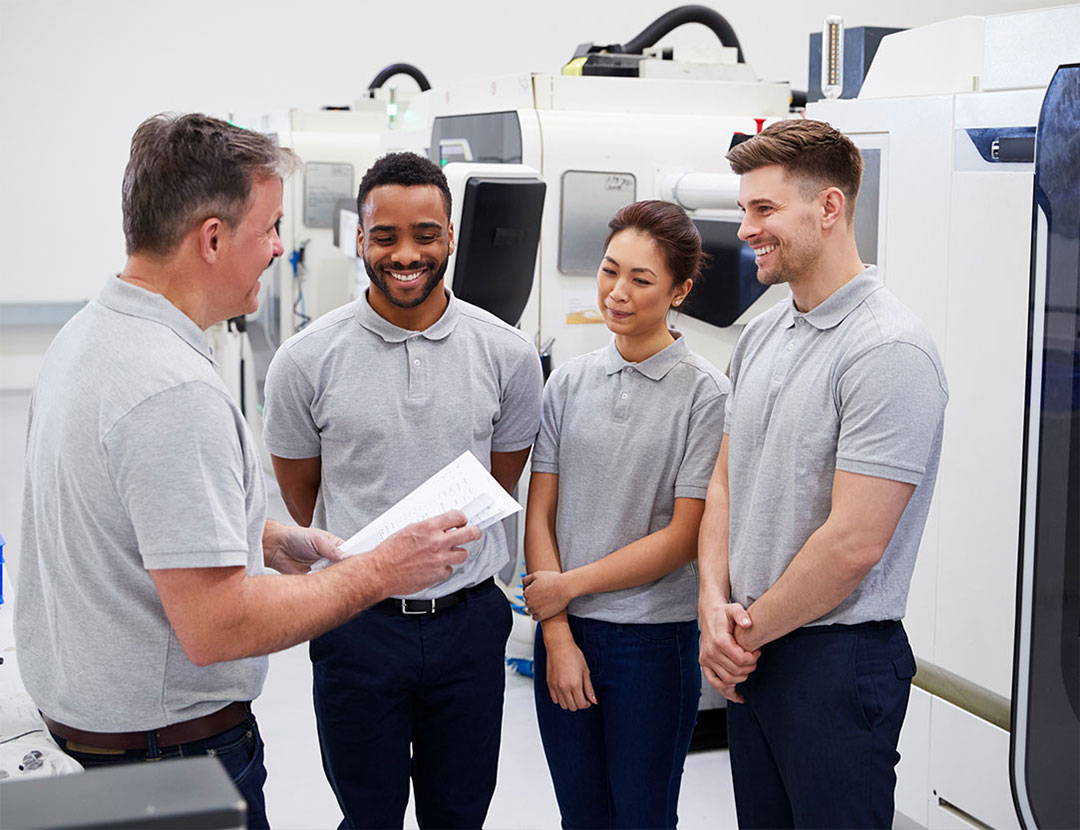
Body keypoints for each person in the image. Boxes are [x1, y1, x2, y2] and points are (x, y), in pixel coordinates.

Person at [15, 114, 477, 830]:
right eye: (269, 229)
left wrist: (259, 537)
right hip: (167, 760)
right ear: (212, 238)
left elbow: (120, 514)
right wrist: (381, 571)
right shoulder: (172, 390)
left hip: (102, 740)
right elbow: (217, 626)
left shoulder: (91, 335)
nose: (278, 248)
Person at [262, 151, 544, 829]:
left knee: (460, 814)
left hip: (469, 626)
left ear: (451, 237)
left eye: (425, 235)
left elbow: (500, 480)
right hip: (356, 626)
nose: (406, 254)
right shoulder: (305, 360)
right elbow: (303, 498)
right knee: (368, 815)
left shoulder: (507, 354)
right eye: (385, 236)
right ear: (360, 239)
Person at [697, 119, 949, 829]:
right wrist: (712, 607)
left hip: (835, 663)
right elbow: (725, 484)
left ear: (829, 207)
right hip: (753, 653)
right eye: (744, 209)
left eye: (764, 208)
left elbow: (854, 545)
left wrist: (741, 635)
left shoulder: (887, 350)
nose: (745, 229)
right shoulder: (762, 333)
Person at [523, 200, 729, 829]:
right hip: (566, 634)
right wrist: (558, 635)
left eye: (641, 280)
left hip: (652, 644)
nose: (617, 292)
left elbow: (683, 537)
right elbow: (540, 513)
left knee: (643, 817)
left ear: (679, 291)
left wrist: (567, 587)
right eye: (610, 270)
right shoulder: (568, 383)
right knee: (581, 817)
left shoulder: (706, 394)